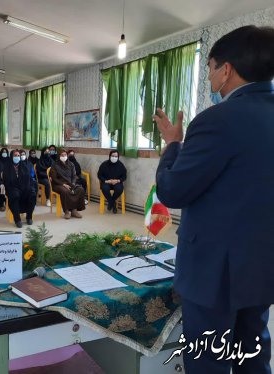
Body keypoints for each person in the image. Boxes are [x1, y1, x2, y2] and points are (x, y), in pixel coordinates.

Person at [153, 25, 274, 374]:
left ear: (226, 70)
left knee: (208, 360)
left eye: (208, 68)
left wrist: (173, 144)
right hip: (262, 263)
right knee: (253, 352)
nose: (208, 77)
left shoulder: (217, 120)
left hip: (215, 271)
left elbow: (173, 190)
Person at [3, 150, 37, 228]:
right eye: (15, 155)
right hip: (13, 188)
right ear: (11, 157)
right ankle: (17, 219)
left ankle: (29, 217)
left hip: (24, 187)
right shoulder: (7, 167)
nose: (17, 157)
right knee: (15, 195)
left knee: (32, 194)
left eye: (18, 156)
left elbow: (29, 179)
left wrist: (29, 187)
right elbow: (7, 181)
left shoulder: (24, 166)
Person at [50, 149, 85, 219]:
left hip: (70, 183)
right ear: (59, 156)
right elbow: (54, 178)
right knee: (65, 191)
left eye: (65, 155)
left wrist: (73, 183)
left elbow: (74, 176)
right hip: (58, 184)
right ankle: (66, 211)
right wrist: (63, 184)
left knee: (80, 189)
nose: (64, 156)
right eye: (62, 155)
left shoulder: (71, 164)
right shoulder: (55, 165)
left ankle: (74, 210)